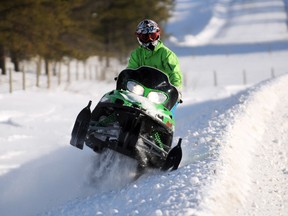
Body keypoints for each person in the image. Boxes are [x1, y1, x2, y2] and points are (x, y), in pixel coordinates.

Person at [127, 19, 183, 104]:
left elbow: (174, 73)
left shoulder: (166, 54)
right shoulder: (136, 54)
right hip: (140, 91)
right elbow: (131, 70)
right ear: (139, 37)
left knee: (165, 112)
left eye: (152, 35)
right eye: (145, 37)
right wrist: (126, 80)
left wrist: (176, 90)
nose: (150, 39)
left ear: (158, 34)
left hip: (161, 94)